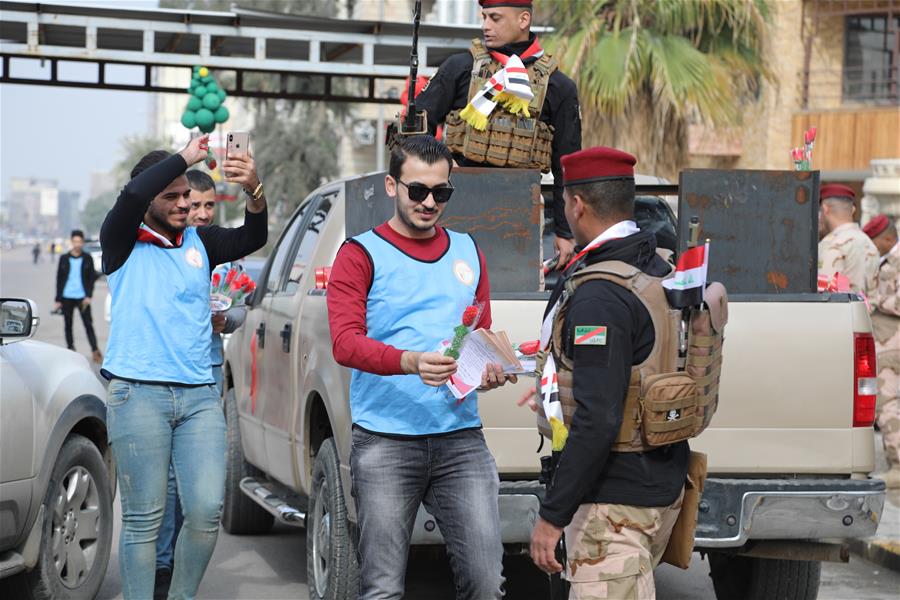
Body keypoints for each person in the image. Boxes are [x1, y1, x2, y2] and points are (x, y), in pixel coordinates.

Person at [327, 135, 513, 599]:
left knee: (487, 583)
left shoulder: (468, 250)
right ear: (391, 186)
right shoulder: (359, 254)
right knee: (384, 588)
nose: (429, 202)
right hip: (386, 441)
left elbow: (478, 334)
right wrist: (409, 362)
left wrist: (488, 371)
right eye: (417, 191)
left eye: (441, 192)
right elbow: (345, 344)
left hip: (460, 439)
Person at [99, 134, 267, 600]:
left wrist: (254, 188)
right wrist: (185, 157)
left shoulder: (200, 241)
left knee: (206, 508)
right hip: (138, 395)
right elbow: (132, 195)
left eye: (186, 195)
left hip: (198, 397)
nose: (183, 204)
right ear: (149, 198)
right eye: (170, 196)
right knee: (143, 519)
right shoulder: (121, 242)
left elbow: (254, 236)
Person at [519, 147, 689, 599]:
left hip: (614, 503)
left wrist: (552, 516)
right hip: (657, 482)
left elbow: (599, 419)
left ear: (577, 205)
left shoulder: (600, 296)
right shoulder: (653, 264)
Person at [413, 0, 581, 269]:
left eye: (495, 18)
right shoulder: (460, 67)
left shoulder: (559, 86)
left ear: (523, 20)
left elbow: (568, 166)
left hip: (520, 213)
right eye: (484, 17)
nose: (485, 26)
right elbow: (415, 130)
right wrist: (442, 164)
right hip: (455, 202)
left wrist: (564, 231)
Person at [152, 168, 251, 599]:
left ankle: (181, 569)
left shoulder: (226, 253)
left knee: (200, 485)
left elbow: (244, 310)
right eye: (195, 205)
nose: (202, 213)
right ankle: (161, 565)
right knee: (167, 480)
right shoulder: (161, 249)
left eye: (210, 205)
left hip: (210, 373)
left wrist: (225, 319)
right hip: (167, 375)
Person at [863, 214, 900, 488]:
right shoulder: (889, 258)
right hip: (885, 337)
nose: (873, 249)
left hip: (891, 339)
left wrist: (875, 300)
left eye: (875, 243)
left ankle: (898, 466)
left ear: (888, 238)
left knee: (887, 403)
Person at [818, 183, 879, 296]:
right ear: (853, 210)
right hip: (865, 313)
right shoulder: (870, 244)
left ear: (825, 209)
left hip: (838, 313)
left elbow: (823, 295)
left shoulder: (831, 244)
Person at [54, 229, 102, 362]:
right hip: (67, 297)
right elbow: (59, 279)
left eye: (79, 242)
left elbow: (91, 278)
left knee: (88, 324)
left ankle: (95, 350)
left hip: (83, 298)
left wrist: (89, 296)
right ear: (71, 242)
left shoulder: (87, 258)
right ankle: (70, 349)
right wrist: (58, 299)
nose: (77, 244)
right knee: (68, 325)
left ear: (82, 242)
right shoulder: (64, 258)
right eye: (75, 241)